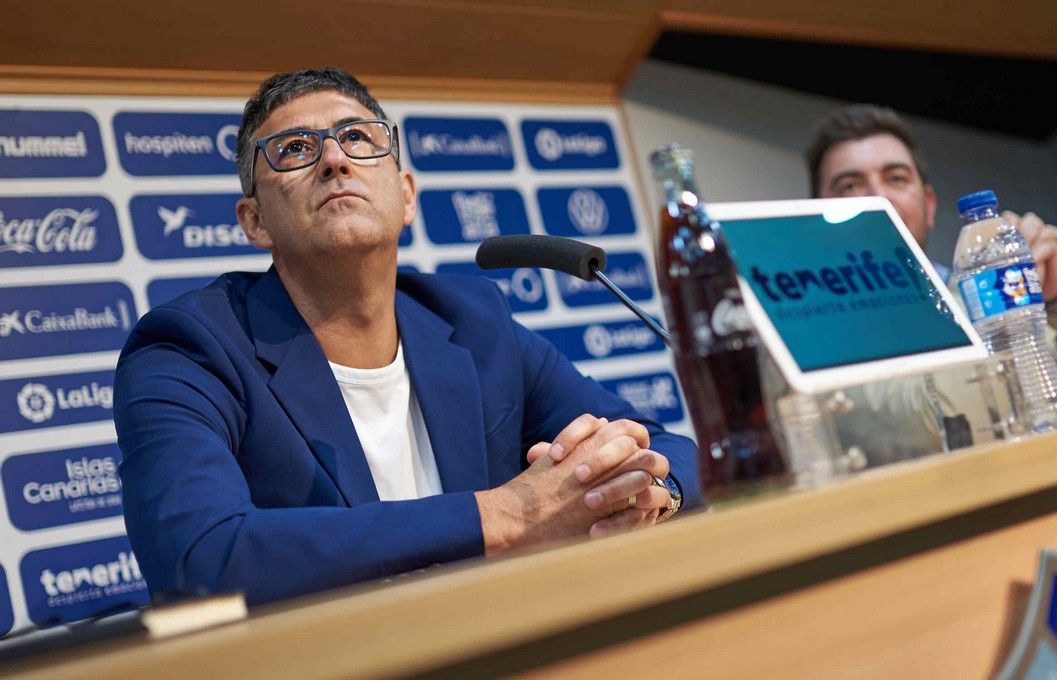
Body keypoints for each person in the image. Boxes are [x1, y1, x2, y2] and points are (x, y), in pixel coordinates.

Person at [113, 68, 698, 607]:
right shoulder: (190, 348)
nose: (334, 161)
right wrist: (506, 515)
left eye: (358, 139)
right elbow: (200, 557)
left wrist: (648, 491)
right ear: (255, 221)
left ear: (407, 194)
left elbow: (673, 449)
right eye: (294, 149)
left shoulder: (472, 323)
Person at [804, 105, 1057, 419]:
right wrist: (999, 325)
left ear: (928, 205)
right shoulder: (818, 327)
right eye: (849, 186)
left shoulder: (990, 285)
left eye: (896, 178)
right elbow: (930, 423)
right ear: (817, 214)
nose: (877, 198)